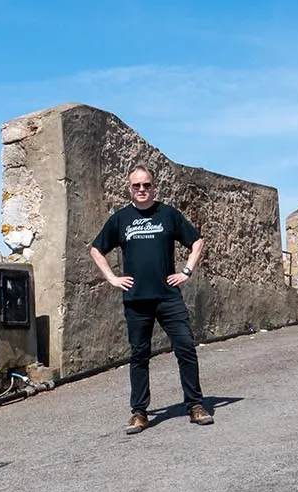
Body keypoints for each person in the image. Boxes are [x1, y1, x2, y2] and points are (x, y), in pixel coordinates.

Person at [88, 167, 211, 434]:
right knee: (139, 355)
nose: (141, 190)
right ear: (129, 188)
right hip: (136, 300)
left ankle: (195, 405)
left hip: (168, 297)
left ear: (154, 187)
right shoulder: (121, 219)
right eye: (136, 186)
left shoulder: (167, 215)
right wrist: (112, 278)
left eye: (146, 185)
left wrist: (186, 272)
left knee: (186, 348)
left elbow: (197, 242)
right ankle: (139, 413)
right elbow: (96, 249)